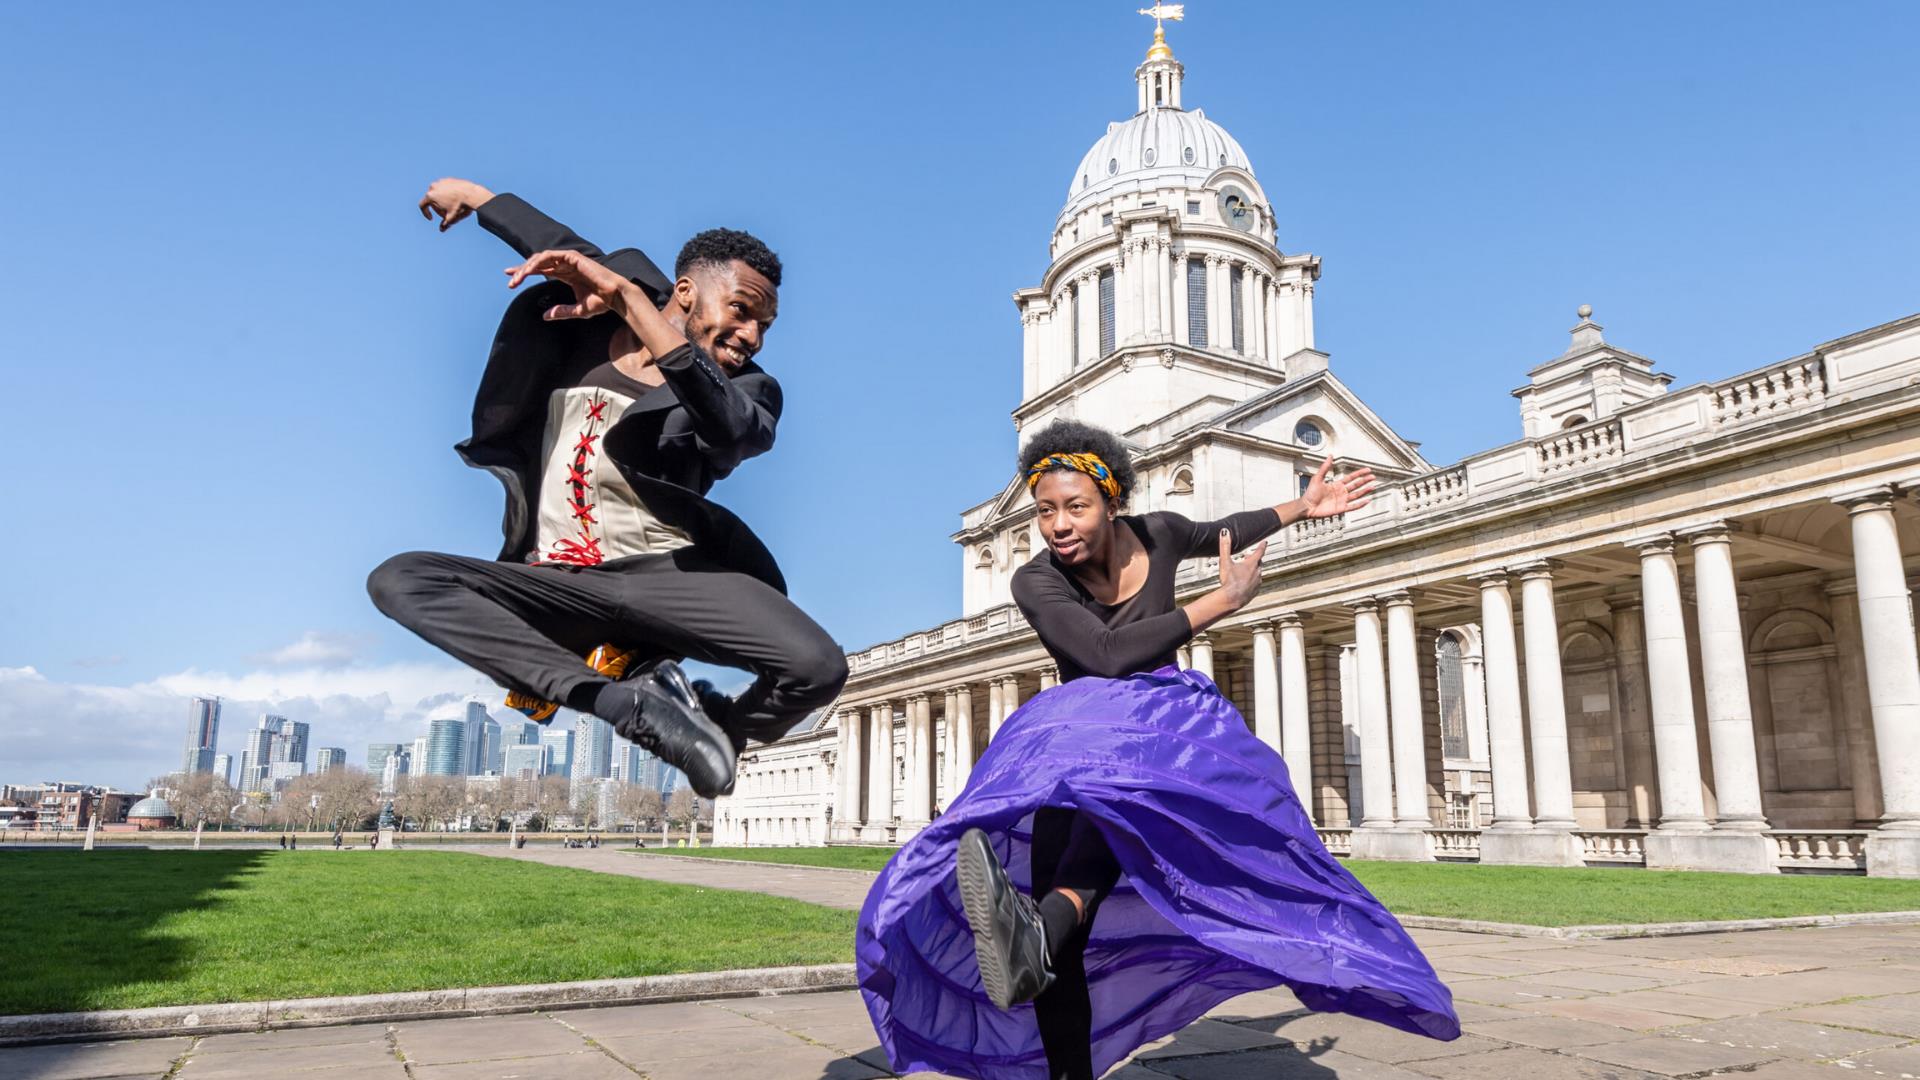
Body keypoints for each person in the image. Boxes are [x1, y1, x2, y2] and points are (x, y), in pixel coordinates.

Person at [856, 420, 1459, 1080]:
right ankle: (1050, 954)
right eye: (1044, 511)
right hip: (1079, 739)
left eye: (1075, 506)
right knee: (1063, 947)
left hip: (1168, 737)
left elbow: (1228, 527)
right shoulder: (1035, 581)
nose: (1058, 524)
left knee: (1119, 812)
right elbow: (1105, 655)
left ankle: (1044, 923)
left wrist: (1303, 506)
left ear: (1113, 503)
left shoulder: (1162, 533)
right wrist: (1223, 601)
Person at [368, 178, 848, 798]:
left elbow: (728, 430)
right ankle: (623, 705)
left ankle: (709, 726)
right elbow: (559, 244)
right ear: (684, 292)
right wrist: (479, 198)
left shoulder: (751, 391)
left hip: (671, 575)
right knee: (399, 578)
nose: (752, 336)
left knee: (818, 668)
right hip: (561, 583)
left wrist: (635, 307)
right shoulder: (595, 316)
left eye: (765, 324)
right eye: (742, 310)